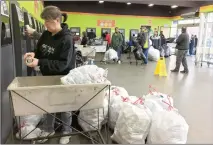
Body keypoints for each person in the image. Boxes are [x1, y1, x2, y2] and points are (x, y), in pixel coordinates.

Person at [24, 6, 75, 144]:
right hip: (47, 76)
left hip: (63, 77)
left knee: (65, 107)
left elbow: (62, 64)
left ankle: (66, 131)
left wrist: (39, 62)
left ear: (57, 20)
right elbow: (39, 50)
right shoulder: (46, 34)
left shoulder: (67, 39)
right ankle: (48, 129)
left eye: (48, 22)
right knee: (48, 104)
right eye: (45, 23)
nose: (45, 26)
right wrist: (33, 54)